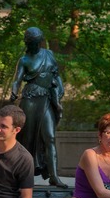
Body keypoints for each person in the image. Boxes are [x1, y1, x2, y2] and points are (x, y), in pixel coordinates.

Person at [10, 27, 67, 188]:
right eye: (33, 43)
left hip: (46, 98)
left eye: (38, 42)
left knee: (50, 137)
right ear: (28, 43)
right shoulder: (24, 60)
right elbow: (17, 80)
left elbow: (56, 74)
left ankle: (54, 176)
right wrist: (14, 92)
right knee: (27, 139)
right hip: (30, 99)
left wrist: (60, 90)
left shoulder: (49, 54)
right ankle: (24, 177)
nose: (36, 45)